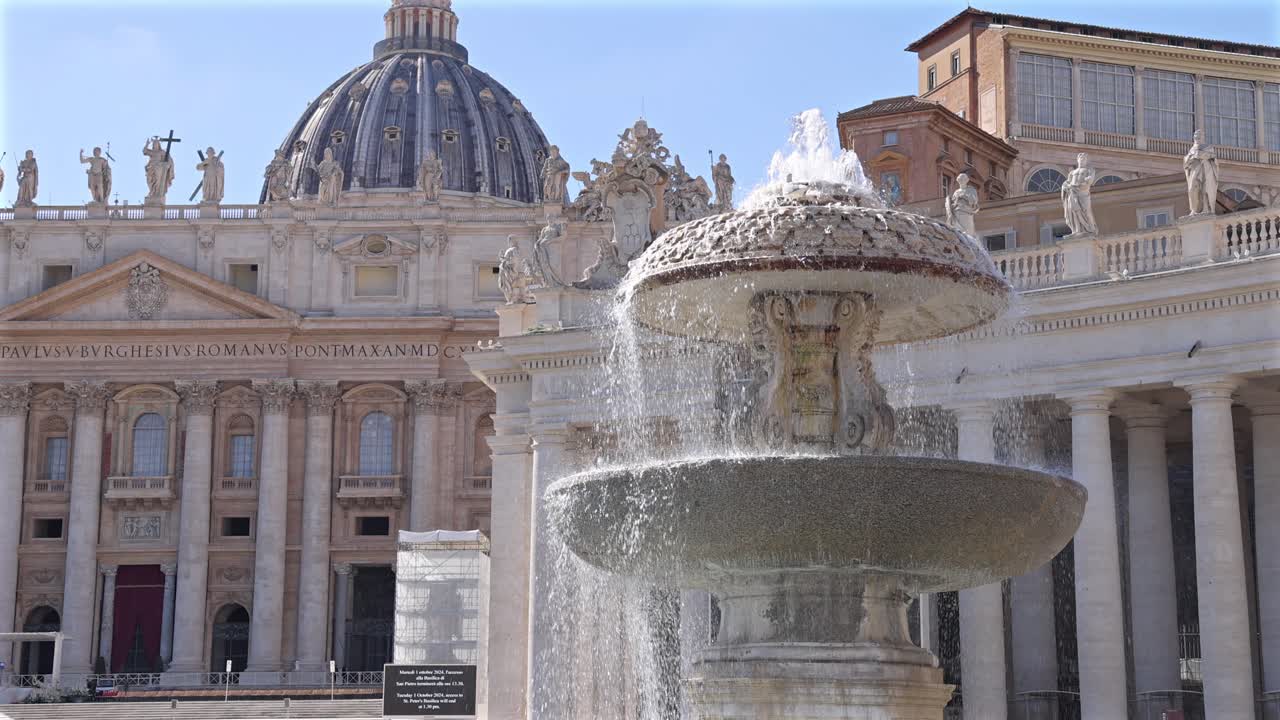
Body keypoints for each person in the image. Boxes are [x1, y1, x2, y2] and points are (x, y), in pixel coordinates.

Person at [1184, 129, 1220, 216]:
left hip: (1206, 169)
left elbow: (1214, 159)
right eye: (1195, 135)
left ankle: (1206, 208)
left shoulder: (1208, 147)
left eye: (1199, 135)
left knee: (1205, 189)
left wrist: (1206, 156)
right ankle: (1194, 209)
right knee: (1192, 188)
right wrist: (1192, 157)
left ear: (1203, 137)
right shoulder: (1192, 149)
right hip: (1195, 170)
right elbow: (1186, 162)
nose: (1197, 137)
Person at [1061, 153, 1098, 237]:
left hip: (1083, 193)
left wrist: (1078, 186)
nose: (1082, 160)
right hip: (1072, 193)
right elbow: (1067, 182)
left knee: (1086, 211)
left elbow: (1089, 181)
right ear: (1077, 160)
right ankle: (1077, 231)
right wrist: (1065, 186)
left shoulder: (1089, 170)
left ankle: (1091, 228)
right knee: (1074, 211)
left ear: (1086, 161)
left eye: (1084, 159)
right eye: (1081, 158)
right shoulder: (1072, 172)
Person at [944, 173, 979, 237]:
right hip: (957, 213)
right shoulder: (956, 192)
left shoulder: (971, 190)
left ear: (967, 180)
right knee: (959, 232)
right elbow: (953, 204)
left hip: (966, 213)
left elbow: (974, 202)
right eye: (960, 180)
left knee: (968, 233)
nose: (961, 181)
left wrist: (964, 196)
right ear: (958, 181)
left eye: (963, 179)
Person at [142, 137, 175, 202]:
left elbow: (170, 160)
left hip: (159, 168)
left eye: (156, 144)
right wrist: (147, 144)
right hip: (151, 168)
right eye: (153, 144)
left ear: (158, 145)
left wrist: (167, 165)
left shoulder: (162, 152)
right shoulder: (151, 152)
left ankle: (157, 193)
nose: (154, 145)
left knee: (158, 181)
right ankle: (152, 192)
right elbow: (144, 151)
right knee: (149, 180)